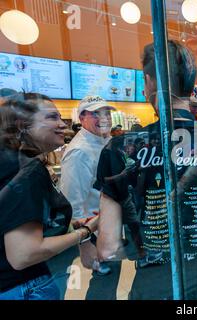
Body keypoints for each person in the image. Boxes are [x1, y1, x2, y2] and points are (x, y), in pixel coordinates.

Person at [95, 40, 197, 300]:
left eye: (145, 85)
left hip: (156, 282)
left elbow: (108, 248)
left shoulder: (120, 149)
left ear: (149, 82)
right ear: (190, 89)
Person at [0, 93, 98, 300]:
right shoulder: (26, 170)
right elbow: (24, 255)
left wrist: (69, 224)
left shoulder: (11, 162)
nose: (63, 124)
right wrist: (86, 232)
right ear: (22, 125)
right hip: (26, 287)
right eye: (52, 117)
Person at [59, 95, 120, 299]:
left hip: (108, 224)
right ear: (82, 117)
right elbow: (71, 205)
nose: (104, 118)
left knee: (110, 280)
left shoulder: (105, 141)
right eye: (96, 113)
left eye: (107, 113)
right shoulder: (79, 152)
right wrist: (85, 244)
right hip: (95, 231)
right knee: (104, 285)